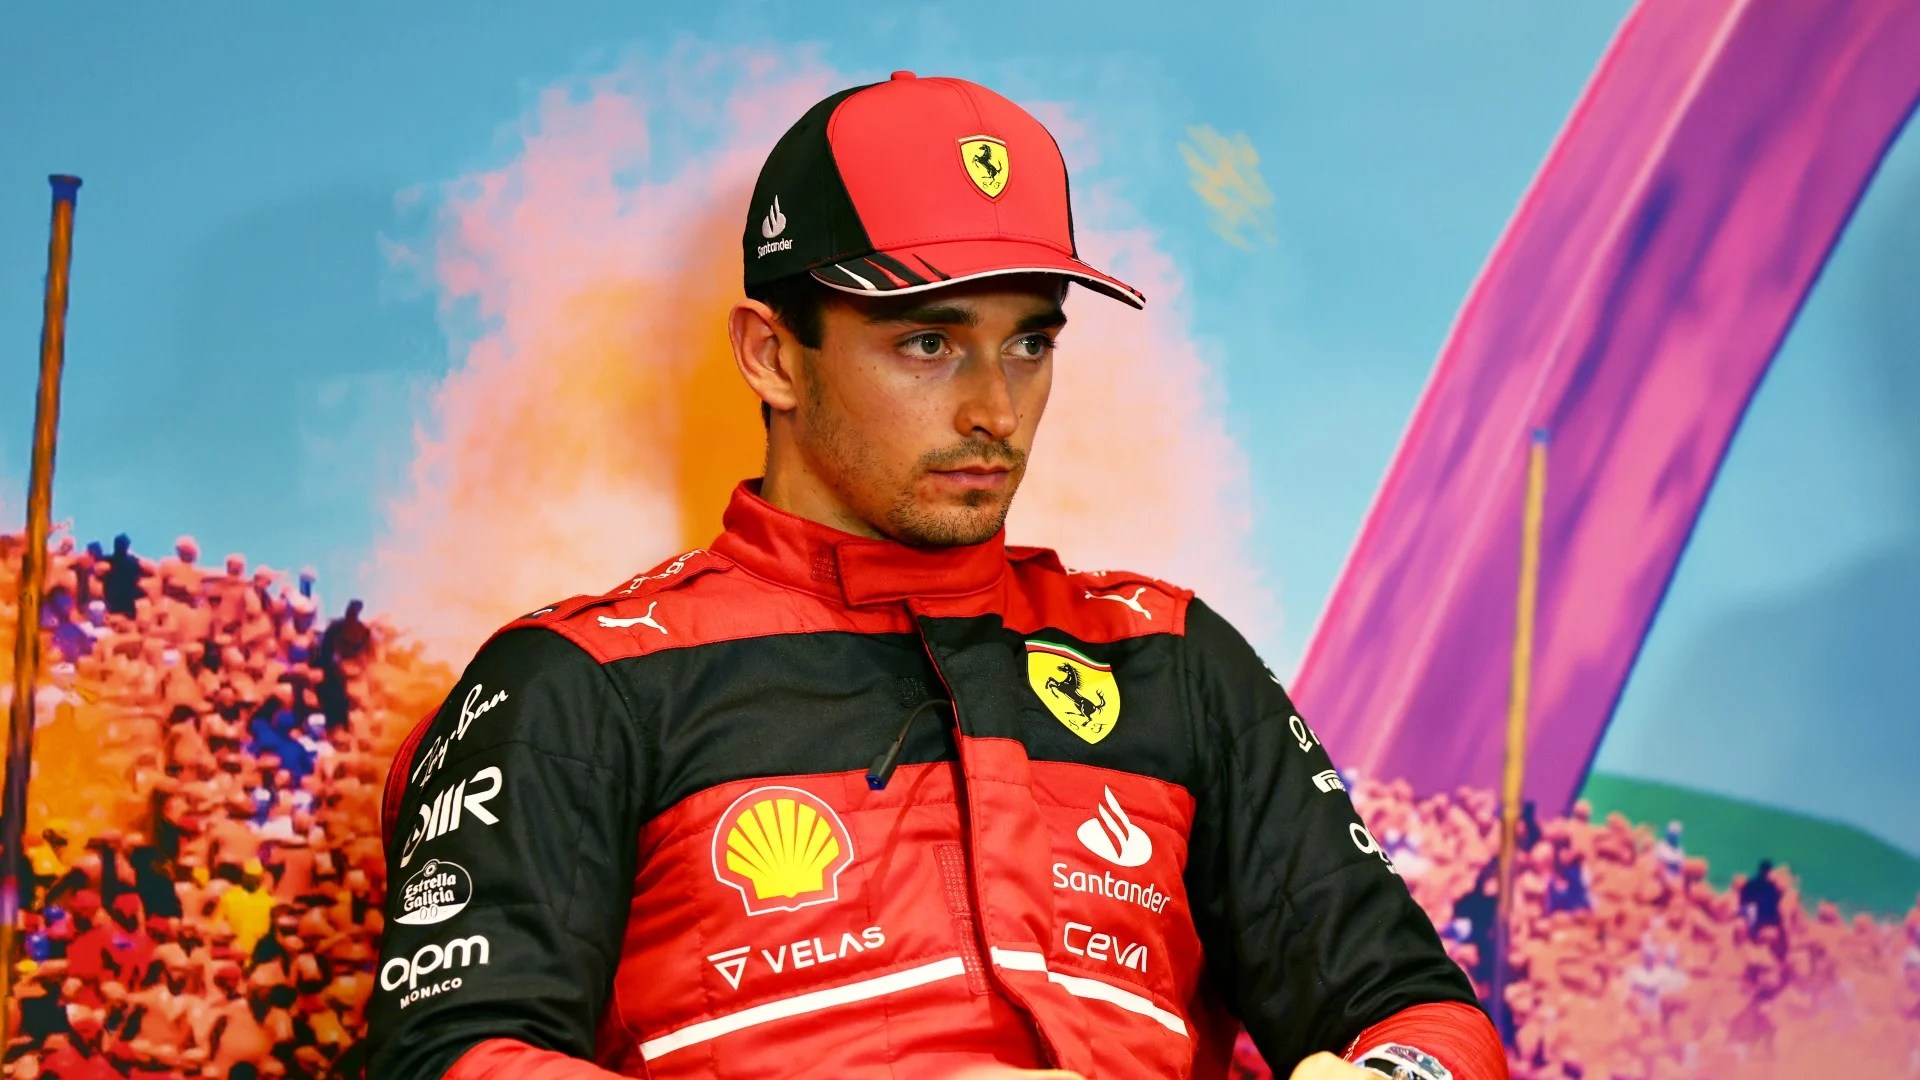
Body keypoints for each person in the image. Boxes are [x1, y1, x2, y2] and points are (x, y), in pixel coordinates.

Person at [369, 73, 1503, 1080]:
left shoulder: (1170, 658)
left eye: (1030, 343)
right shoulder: (580, 680)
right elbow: (453, 1053)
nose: (994, 409)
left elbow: (1420, 1014)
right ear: (770, 353)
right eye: (928, 342)